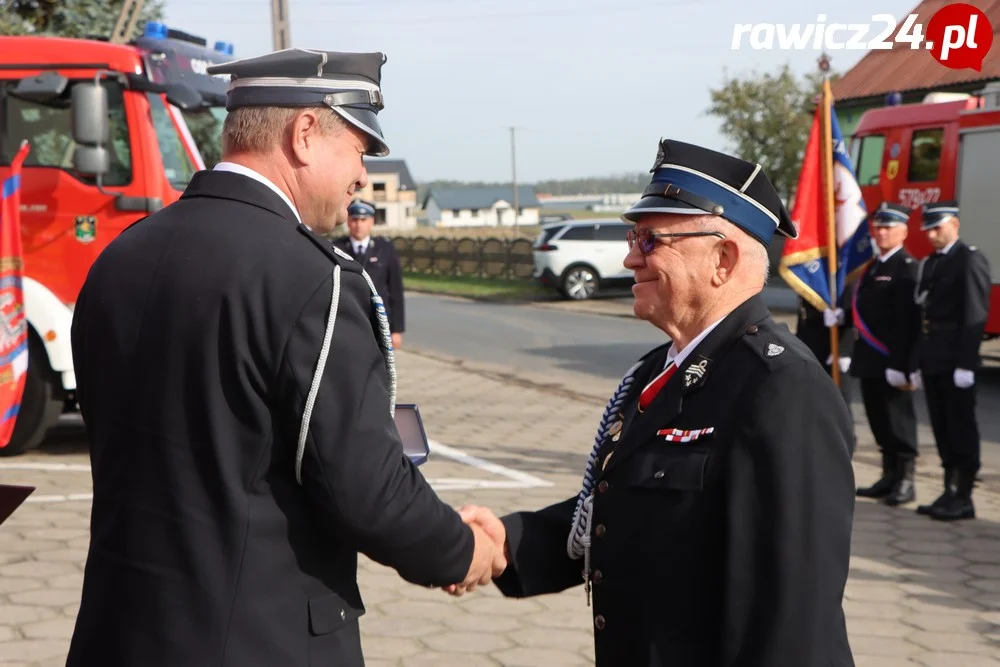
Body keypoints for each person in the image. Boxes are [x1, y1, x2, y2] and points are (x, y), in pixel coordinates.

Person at [66, 48, 504, 667]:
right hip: (257, 641)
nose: (361, 177)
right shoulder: (310, 279)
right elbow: (366, 488)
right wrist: (463, 551)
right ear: (304, 134)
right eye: (358, 150)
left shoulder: (120, 258)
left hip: (117, 634)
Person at [459, 139, 856, 666]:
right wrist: (507, 543)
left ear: (723, 258)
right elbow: (623, 511)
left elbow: (793, 617)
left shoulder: (781, 388)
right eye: (633, 237)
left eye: (651, 241)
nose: (629, 257)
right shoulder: (656, 370)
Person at [910, 200, 991, 521]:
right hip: (933, 357)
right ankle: (948, 490)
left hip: (955, 357)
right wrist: (917, 361)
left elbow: (975, 314)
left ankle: (965, 496)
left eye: (937, 227)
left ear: (954, 224)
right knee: (941, 427)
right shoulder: (931, 264)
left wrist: (966, 364)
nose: (932, 234)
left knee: (960, 428)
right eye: (928, 228)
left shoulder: (969, 260)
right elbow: (923, 316)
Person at [850, 202, 921, 506]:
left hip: (892, 359)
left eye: (888, 227)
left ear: (903, 231)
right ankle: (888, 475)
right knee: (879, 418)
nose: (881, 232)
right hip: (869, 358)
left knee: (899, 420)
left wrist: (902, 364)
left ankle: (906, 480)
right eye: (878, 227)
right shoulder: (874, 267)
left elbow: (908, 324)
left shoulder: (907, 268)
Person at [333, 199, 406, 348]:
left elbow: (395, 291)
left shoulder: (385, 248)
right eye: (354, 219)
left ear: (371, 221)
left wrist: (396, 330)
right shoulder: (337, 248)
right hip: (347, 322)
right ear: (348, 221)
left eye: (363, 220)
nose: (358, 225)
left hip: (379, 322)